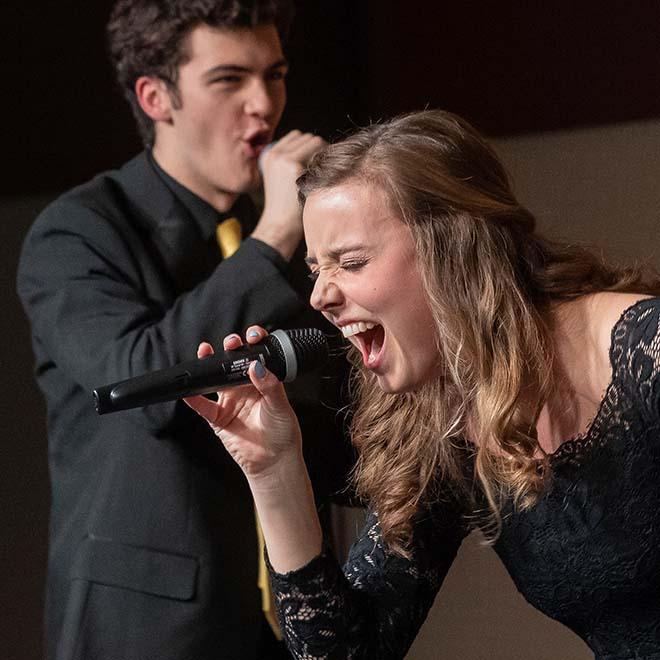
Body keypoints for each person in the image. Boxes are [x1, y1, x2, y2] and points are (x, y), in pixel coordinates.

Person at [185, 108, 660, 659]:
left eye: (352, 262)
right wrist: (273, 472)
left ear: (454, 248)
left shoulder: (643, 350)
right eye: (317, 269)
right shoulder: (442, 416)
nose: (319, 297)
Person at [16, 1, 352, 659]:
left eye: (275, 75)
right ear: (154, 96)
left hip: (289, 619)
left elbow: (329, 422)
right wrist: (275, 234)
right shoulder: (78, 230)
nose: (264, 105)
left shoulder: (285, 237)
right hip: (146, 632)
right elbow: (140, 381)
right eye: (229, 80)